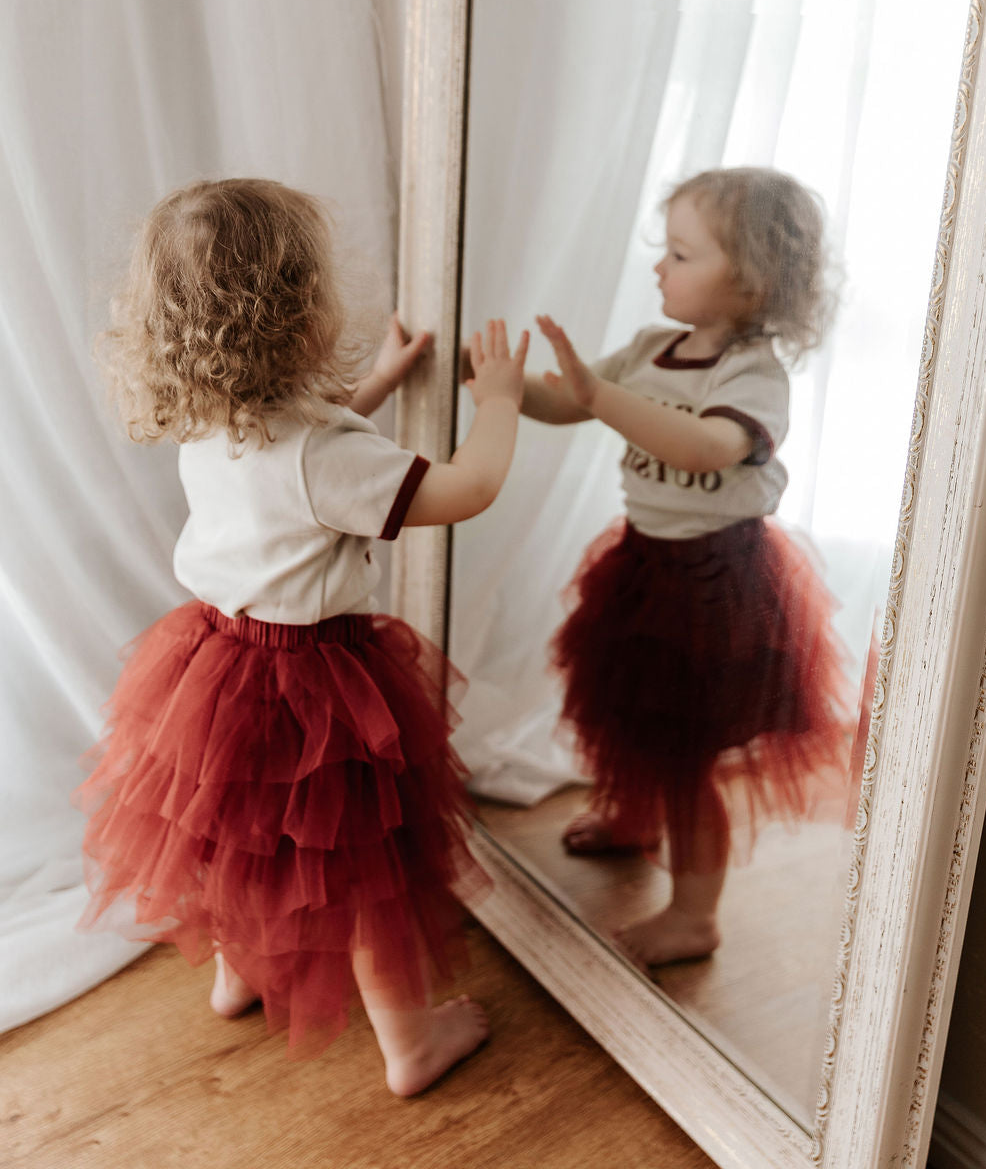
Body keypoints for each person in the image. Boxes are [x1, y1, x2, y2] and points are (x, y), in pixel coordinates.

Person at [76, 177, 528, 1095]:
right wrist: (502, 404)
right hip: (316, 687)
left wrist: (381, 384)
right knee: (364, 879)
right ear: (302, 309)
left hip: (212, 669)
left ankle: (238, 976)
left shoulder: (210, 414)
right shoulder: (328, 458)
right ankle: (412, 1042)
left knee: (243, 848)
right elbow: (466, 489)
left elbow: (301, 447)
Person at [526, 166, 853, 968]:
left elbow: (706, 446)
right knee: (628, 718)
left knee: (685, 759)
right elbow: (568, 399)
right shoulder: (651, 348)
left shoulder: (751, 375)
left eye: (679, 254)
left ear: (751, 281)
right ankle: (633, 817)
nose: (658, 267)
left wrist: (599, 397)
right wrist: (502, 382)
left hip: (716, 588)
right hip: (643, 568)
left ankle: (694, 915)